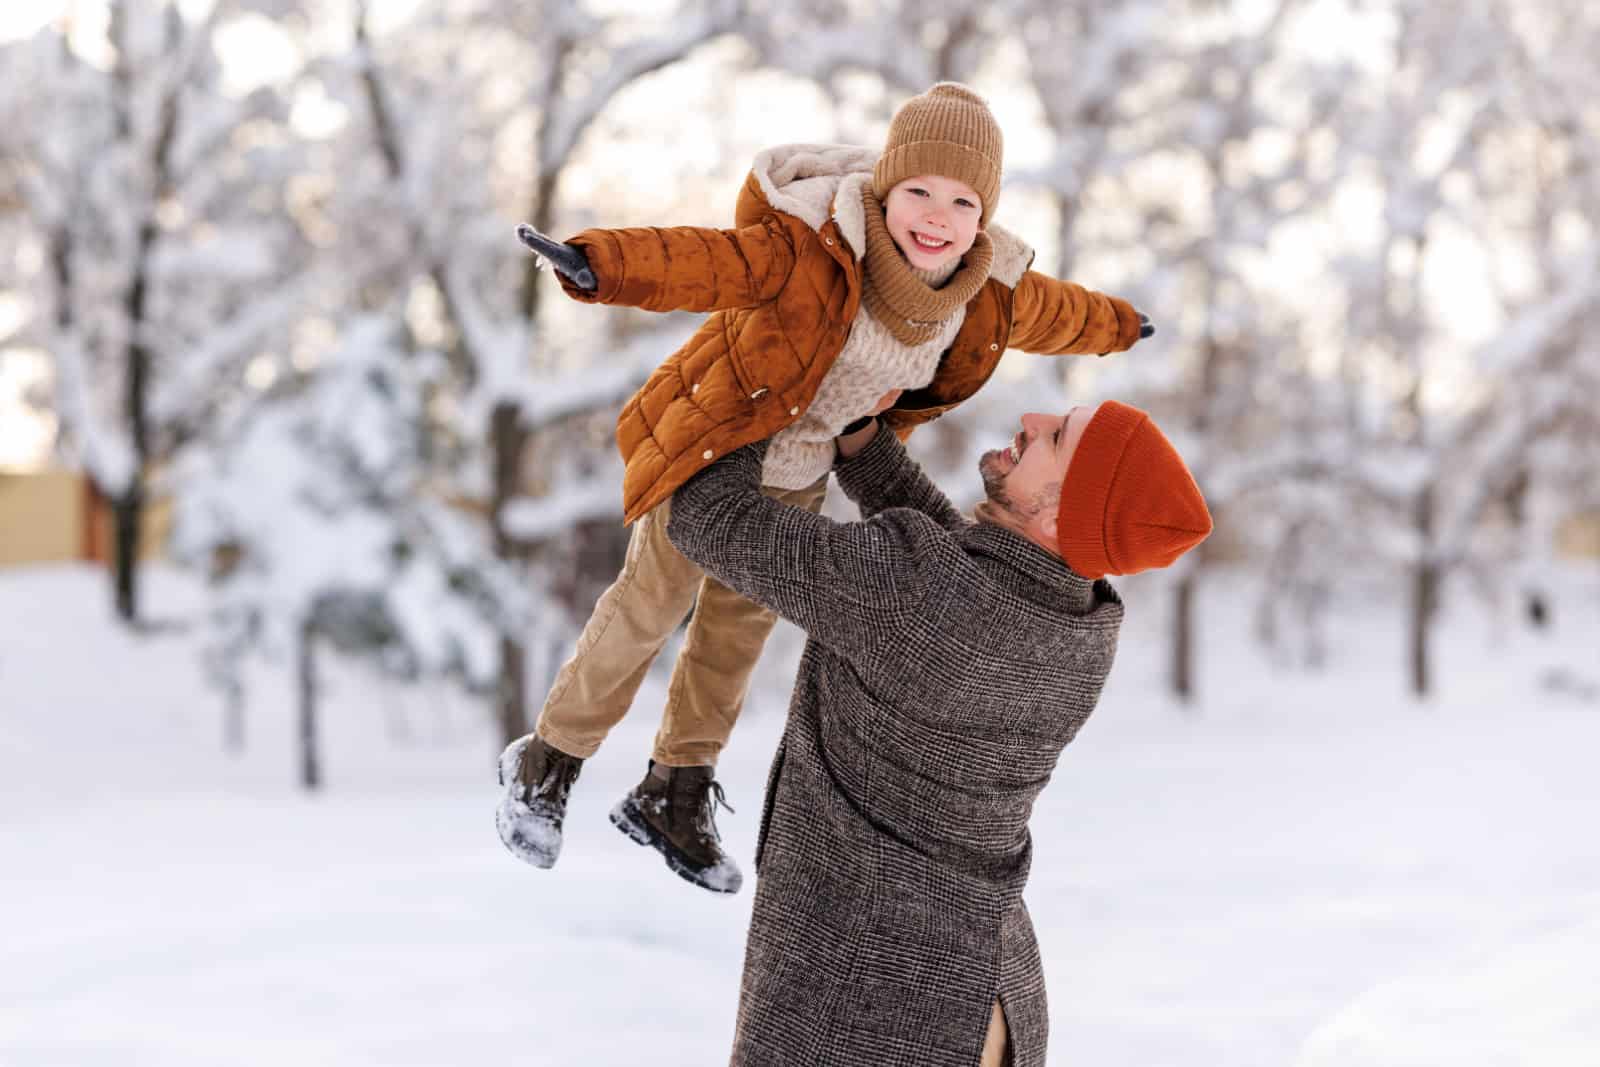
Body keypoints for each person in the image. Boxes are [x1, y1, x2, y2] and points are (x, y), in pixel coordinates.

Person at [496, 82, 1154, 894]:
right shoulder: (815, 247)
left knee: (733, 641)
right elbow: (707, 261)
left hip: (799, 475)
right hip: (719, 444)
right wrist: (601, 263)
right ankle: (547, 761)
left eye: (961, 199)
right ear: (885, 189)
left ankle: (674, 790)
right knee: (647, 609)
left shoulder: (984, 294)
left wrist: (1121, 323)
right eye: (917, 190)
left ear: (984, 215)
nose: (936, 215)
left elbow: (1058, 313)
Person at [663, 400, 1210, 1066]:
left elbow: (706, 515)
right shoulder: (1083, 624)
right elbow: (956, 573)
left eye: (1056, 437)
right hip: (985, 988)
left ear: (1060, 514)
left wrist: (760, 394)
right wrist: (866, 450)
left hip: (872, 995)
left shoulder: (917, 592)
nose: (1032, 417)